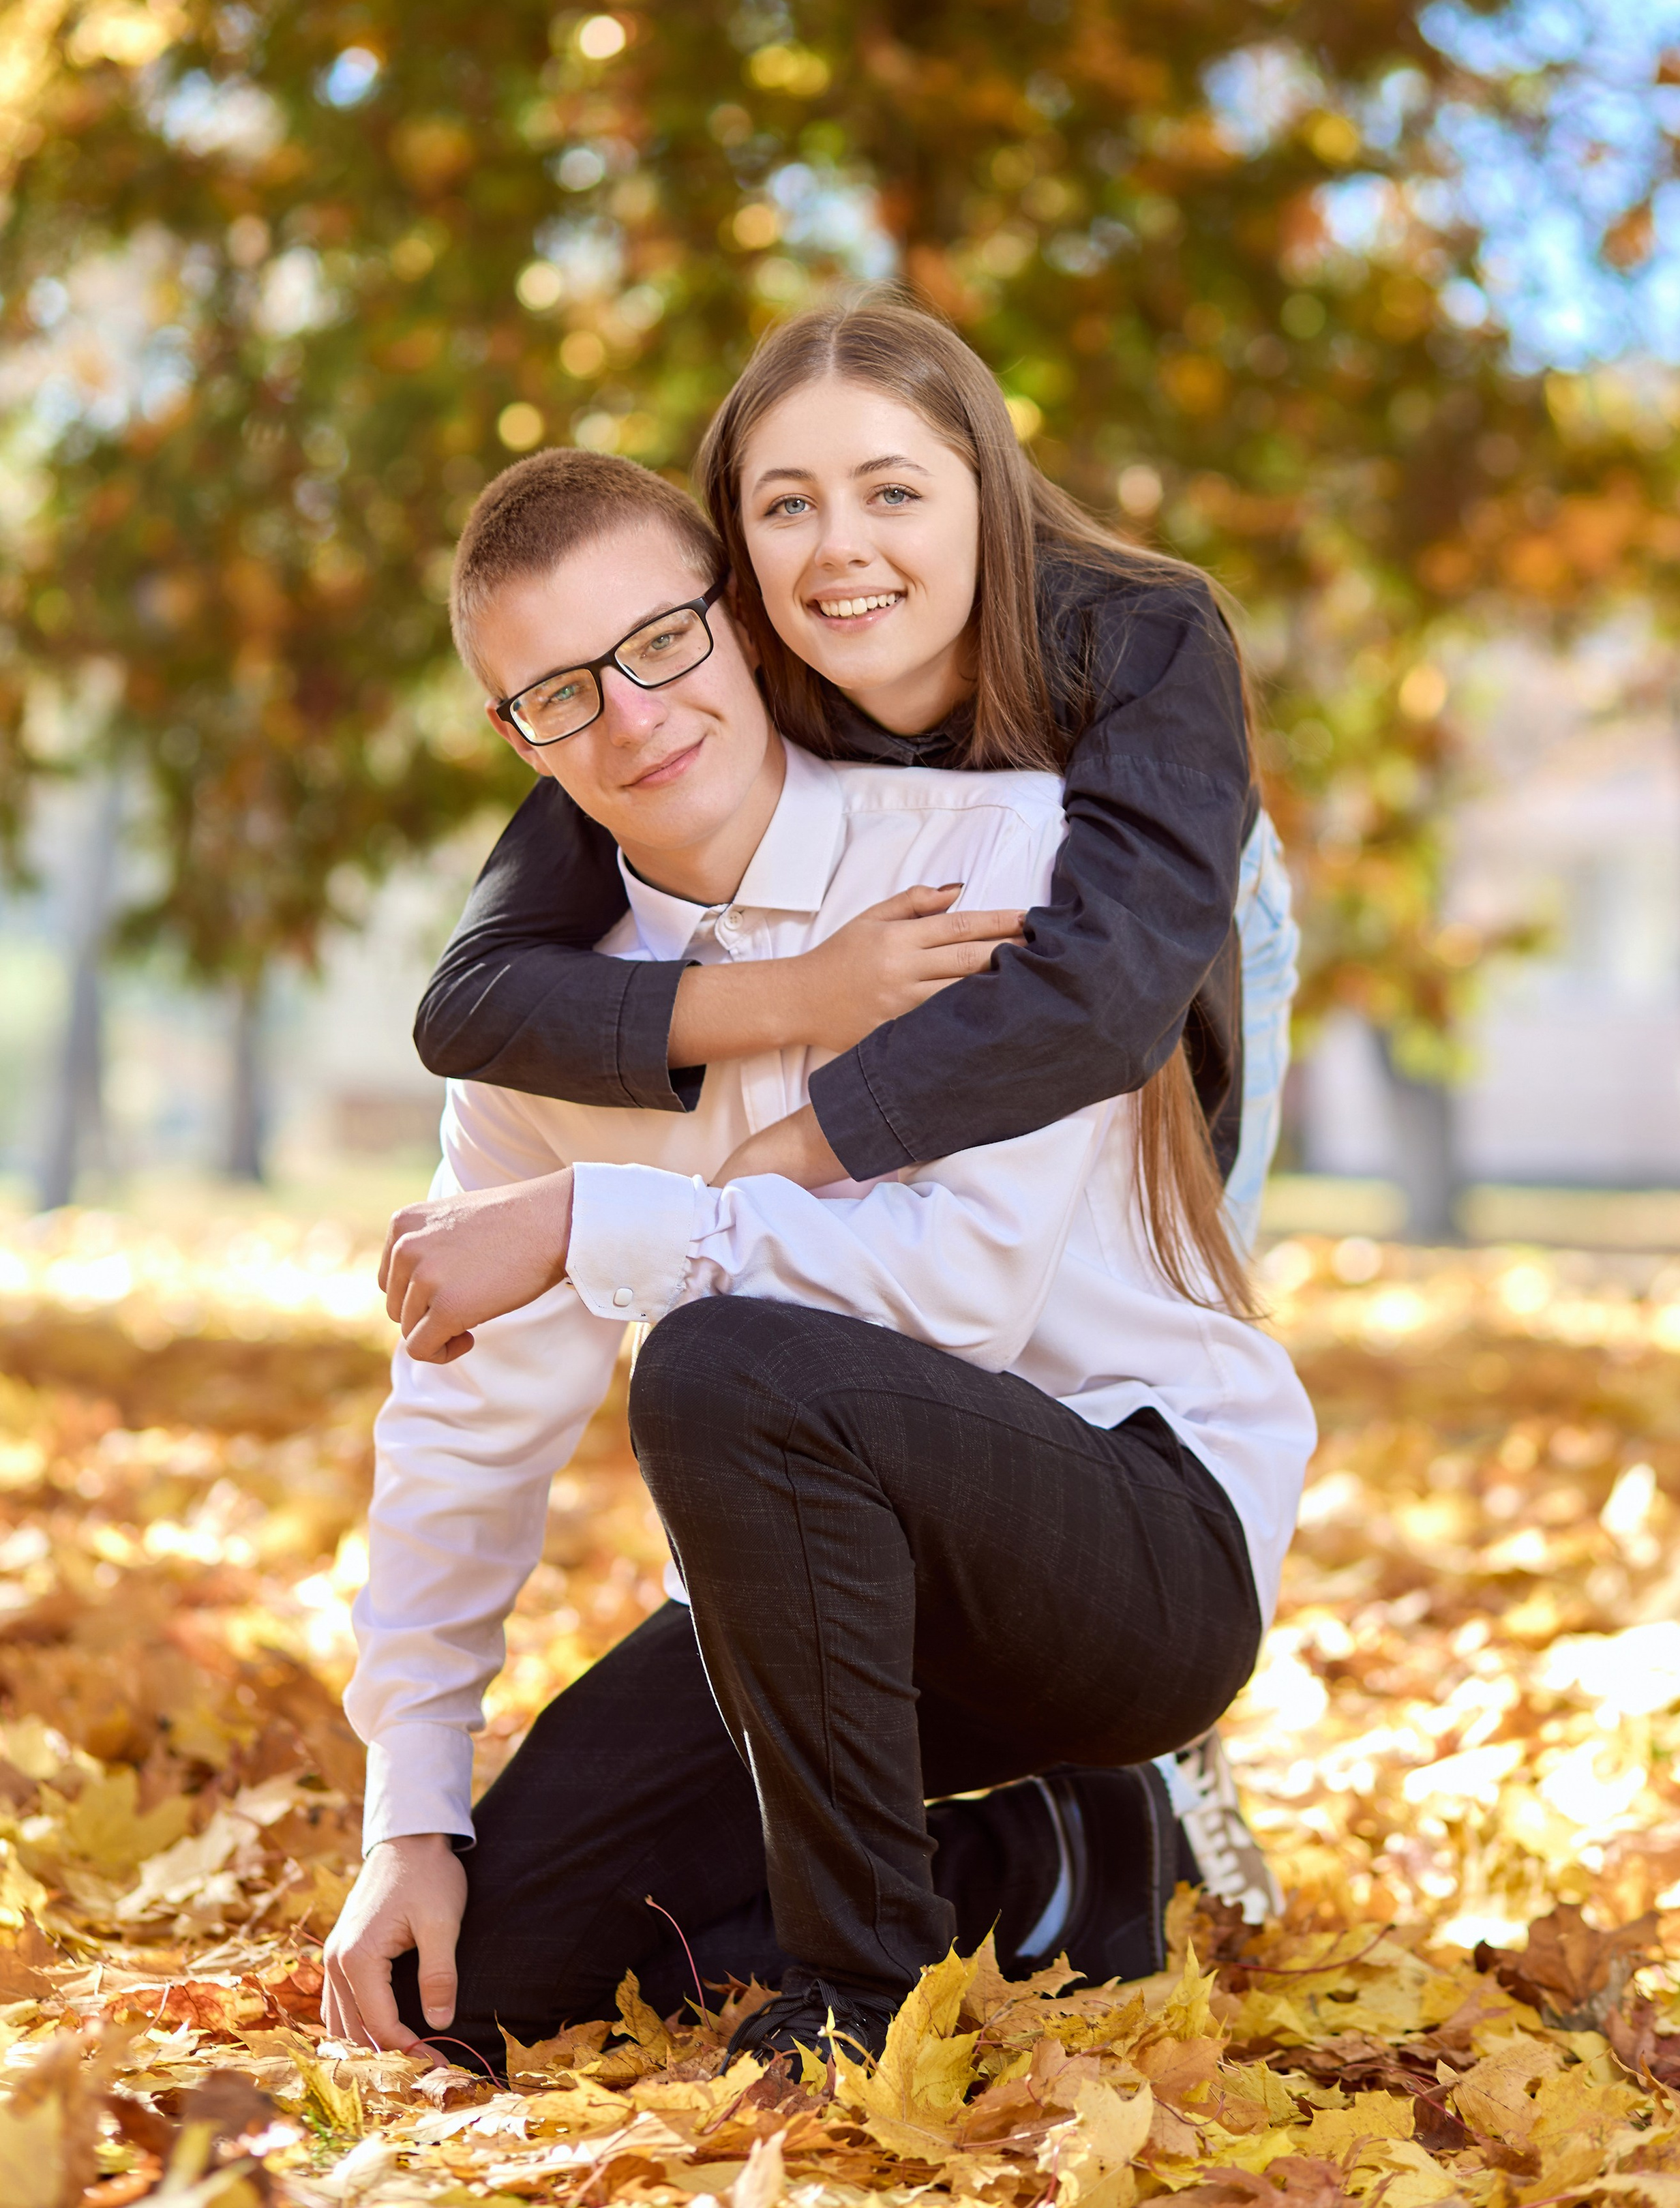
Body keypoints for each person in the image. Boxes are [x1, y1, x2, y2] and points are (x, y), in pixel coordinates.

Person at [323, 451, 1317, 2079]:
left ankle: (855, 2003)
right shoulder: (539, 1027)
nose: (634, 719)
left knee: (721, 1359)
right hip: (802, 1602)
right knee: (484, 1980)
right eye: (560, 696)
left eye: (660, 643)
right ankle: (1066, 1861)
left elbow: (957, 1290)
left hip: (1127, 1542)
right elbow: (464, 1421)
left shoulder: (992, 858)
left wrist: (592, 1223)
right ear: (514, 740)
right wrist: (405, 1817)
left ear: (746, 626)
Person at [412, 297, 1295, 1267]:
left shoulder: (1144, 635)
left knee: (1177, 1285)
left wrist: (793, 1152)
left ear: (984, 492)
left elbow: (1111, 992)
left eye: (893, 493)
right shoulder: (712, 691)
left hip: (1172, 939)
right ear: (738, 565)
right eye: (789, 506)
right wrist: (805, 995)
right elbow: (474, 1005)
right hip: (907, 1004)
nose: (839, 548)